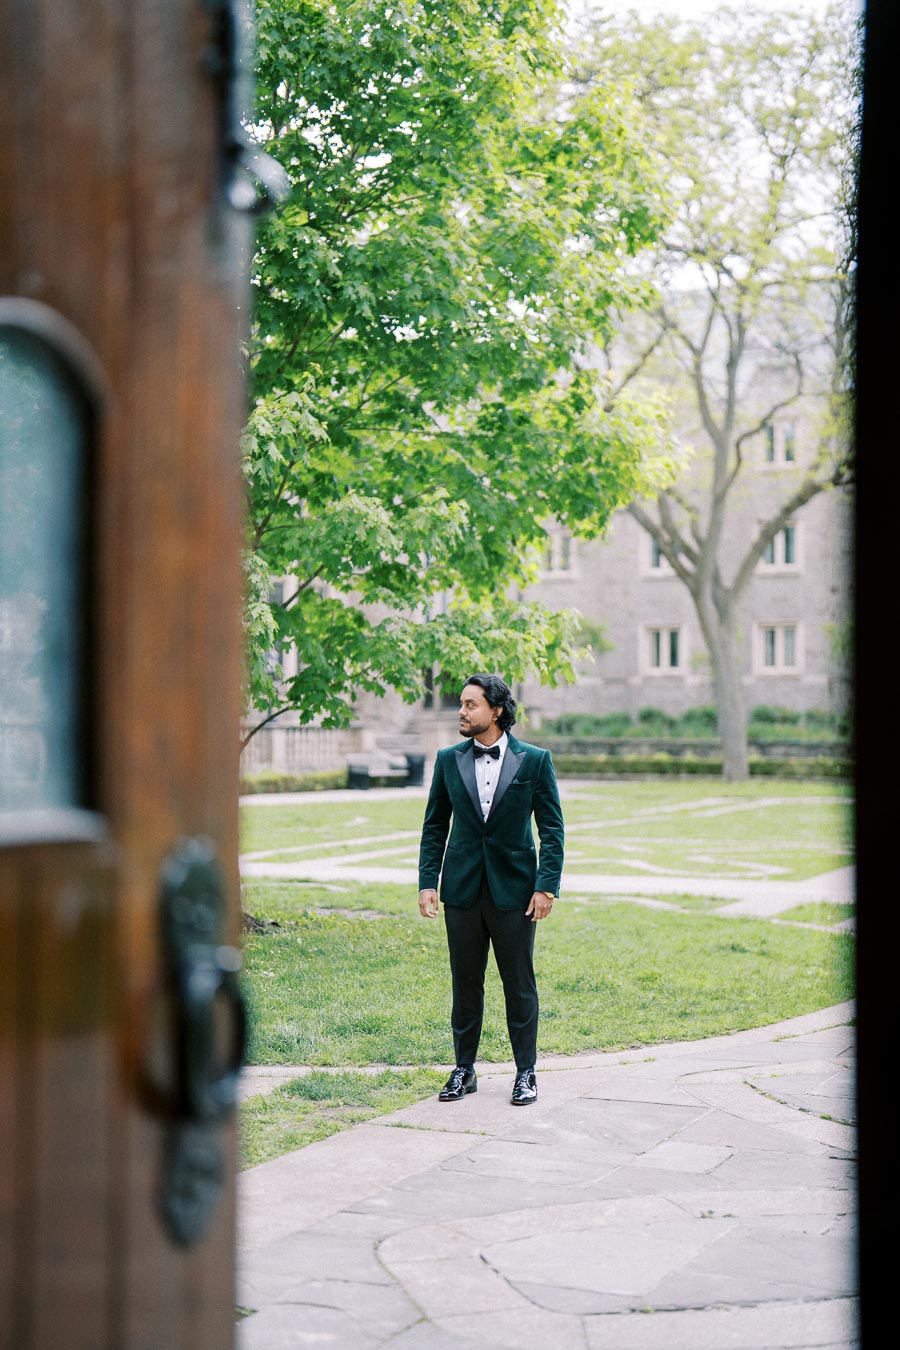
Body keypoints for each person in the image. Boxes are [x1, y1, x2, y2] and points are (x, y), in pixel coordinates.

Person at [417, 673, 564, 1106]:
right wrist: (429, 882)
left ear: (496, 710)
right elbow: (434, 827)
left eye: (469, 705)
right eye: (461, 704)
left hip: (516, 893)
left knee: (519, 983)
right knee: (465, 984)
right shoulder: (447, 760)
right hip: (461, 890)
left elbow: (552, 830)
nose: (460, 712)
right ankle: (463, 1069)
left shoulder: (535, 761)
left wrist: (546, 887)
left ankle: (526, 1073)